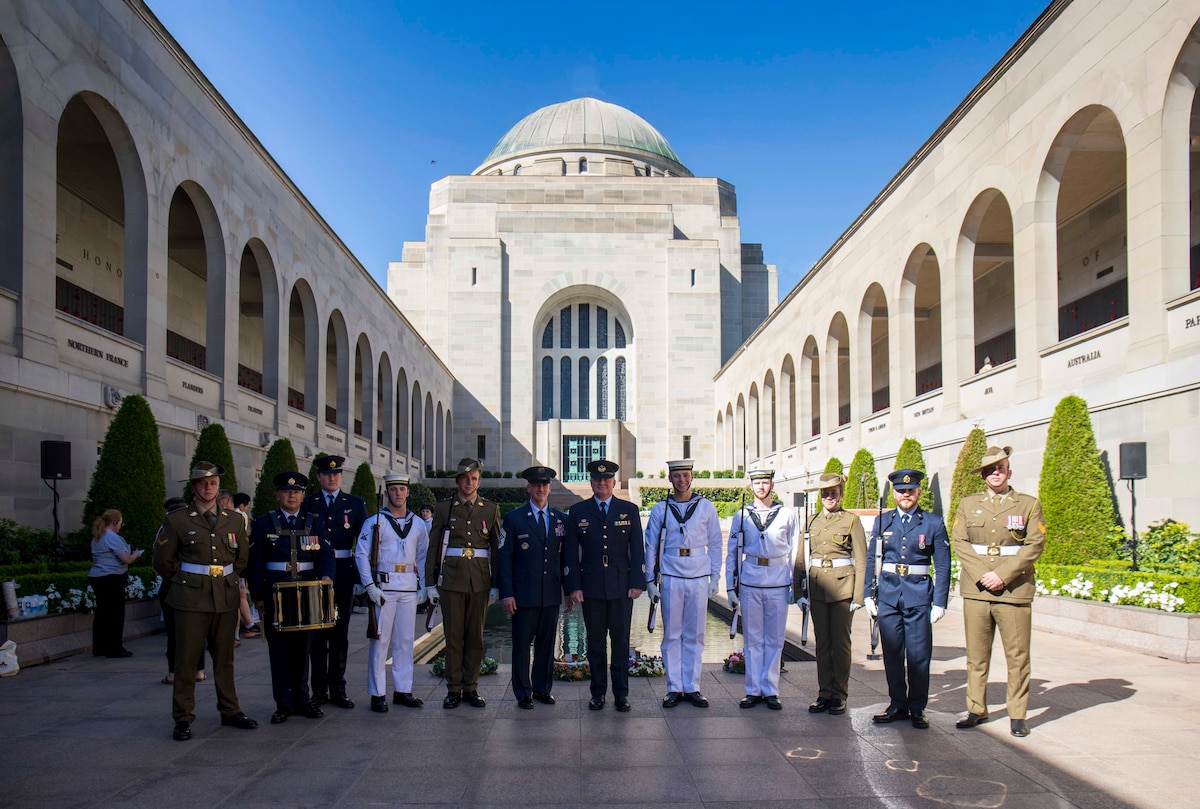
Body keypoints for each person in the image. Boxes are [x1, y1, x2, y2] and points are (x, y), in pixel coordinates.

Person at [153, 462, 258, 741]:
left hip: (224, 597)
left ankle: (230, 710)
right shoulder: (178, 519)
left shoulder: (234, 520)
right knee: (186, 661)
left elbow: (242, 558)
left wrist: (227, 580)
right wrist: (186, 582)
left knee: (225, 659)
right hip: (190, 599)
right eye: (202, 484)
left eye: (212, 484)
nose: (208, 488)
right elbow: (163, 562)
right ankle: (183, 718)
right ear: (194, 487)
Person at [952, 445, 1046, 738]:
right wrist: (984, 575)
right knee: (977, 656)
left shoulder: (1028, 504)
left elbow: (1034, 545)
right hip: (978, 589)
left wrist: (1002, 575)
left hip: (1013, 589)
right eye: (990, 470)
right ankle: (976, 708)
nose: (995, 474)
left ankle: (1017, 714)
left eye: (1000, 468)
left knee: (1017, 656)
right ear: (983, 475)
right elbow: (960, 542)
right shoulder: (968, 505)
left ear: (1009, 472)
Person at [863, 469, 950, 729]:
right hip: (889, 595)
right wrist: (868, 593)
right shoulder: (883, 521)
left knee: (918, 656)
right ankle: (897, 703)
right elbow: (872, 559)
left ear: (919, 493)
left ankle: (917, 708)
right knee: (892, 654)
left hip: (918, 595)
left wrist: (940, 602)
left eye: (910, 491)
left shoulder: (932, 523)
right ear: (894, 493)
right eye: (901, 490)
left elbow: (943, 565)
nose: (906, 495)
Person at [247, 471, 335, 724]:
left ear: (303, 495)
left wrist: (327, 579)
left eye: (296, 491)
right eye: (287, 491)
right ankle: (283, 703)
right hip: (276, 593)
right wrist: (258, 596)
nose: (292, 495)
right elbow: (256, 562)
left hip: (308, 592)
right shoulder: (265, 522)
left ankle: (303, 699)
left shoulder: (314, 522)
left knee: (304, 649)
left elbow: (326, 554)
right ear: (278, 495)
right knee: (280, 651)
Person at [564, 460, 644, 712]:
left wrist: (637, 582)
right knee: (596, 645)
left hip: (621, 587)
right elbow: (569, 554)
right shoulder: (578, 511)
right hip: (591, 588)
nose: (602, 483)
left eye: (607, 480)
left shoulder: (628, 510)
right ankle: (598, 693)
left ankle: (621, 694)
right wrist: (573, 587)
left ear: (613, 483)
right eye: (597, 480)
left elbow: (638, 550)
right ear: (591, 482)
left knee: (620, 644)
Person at [644, 459, 723, 708]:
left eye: (685, 475)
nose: (681, 480)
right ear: (670, 478)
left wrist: (715, 576)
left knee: (695, 633)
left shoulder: (706, 507)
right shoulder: (660, 509)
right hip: (670, 575)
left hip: (698, 575)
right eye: (676, 476)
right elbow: (651, 545)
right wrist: (649, 580)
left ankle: (692, 686)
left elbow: (716, 542)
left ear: (692, 477)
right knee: (672, 634)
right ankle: (674, 686)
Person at [425, 457, 502, 709]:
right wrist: (429, 583)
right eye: (465, 478)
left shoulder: (490, 509)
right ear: (458, 480)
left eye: (474, 478)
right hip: (451, 580)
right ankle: (453, 688)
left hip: (479, 579)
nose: (469, 483)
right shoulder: (444, 508)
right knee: (454, 635)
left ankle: (471, 687)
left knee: (475, 637)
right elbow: (433, 547)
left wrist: (496, 583)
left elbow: (496, 549)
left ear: (479, 482)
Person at [498, 465, 576, 710]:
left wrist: (569, 590)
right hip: (523, 595)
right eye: (536, 485)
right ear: (529, 487)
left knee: (546, 645)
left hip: (550, 594)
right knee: (522, 646)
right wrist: (507, 593)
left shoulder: (561, 520)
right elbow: (504, 559)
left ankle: (542, 688)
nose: (541, 489)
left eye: (545, 485)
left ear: (549, 488)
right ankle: (523, 692)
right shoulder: (514, 518)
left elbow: (567, 560)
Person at [726, 469, 800, 709]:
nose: (761, 487)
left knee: (775, 638)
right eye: (757, 483)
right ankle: (753, 690)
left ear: (772, 485)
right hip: (750, 580)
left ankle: (770, 689)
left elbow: (796, 550)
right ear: (751, 486)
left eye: (765, 483)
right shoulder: (742, 516)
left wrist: (797, 585)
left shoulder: (786, 514)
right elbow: (733, 553)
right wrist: (730, 585)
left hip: (778, 581)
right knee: (753, 638)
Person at [356, 473, 430, 712]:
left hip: (408, 588)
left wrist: (425, 587)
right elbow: (361, 554)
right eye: (394, 489)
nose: (398, 493)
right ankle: (377, 693)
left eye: (402, 489)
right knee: (380, 642)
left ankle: (403, 690)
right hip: (384, 589)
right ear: (387, 492)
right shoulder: (375, 521)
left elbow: (424, 556)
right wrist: (369, 586)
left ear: (408, 492)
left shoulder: (418, 523)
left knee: (405, 642)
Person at [304, 455, 368, 709]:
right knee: (317, 635)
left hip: (342, 574)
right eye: (327, 474)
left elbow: (363, 543)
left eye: (336, 474)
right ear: (318, 477)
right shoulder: (309, 503)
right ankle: (318, 689)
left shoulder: (354, 504)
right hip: (315, 573)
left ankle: (338, 688)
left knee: (339, 633)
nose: (332, 478)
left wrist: (364, 579)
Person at [804, 472, 867, 716]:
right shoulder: (812, 521)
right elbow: (803, 557)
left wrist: (858, 595)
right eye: (825, 494)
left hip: (843, 588)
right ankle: (824, 693)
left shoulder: (851, 521)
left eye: (833, 493)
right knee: (822, 644)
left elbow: (861, 559)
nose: (829, 497)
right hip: (819, 586)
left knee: (840, 644)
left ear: (841, 495)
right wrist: (802, 590)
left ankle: (839, 694)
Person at [157, 497, 207, 684]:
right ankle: (198, 670)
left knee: (175, 633)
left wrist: (175, 578)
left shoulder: (163, 531)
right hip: (193, 584)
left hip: (174, 584)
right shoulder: (198, 528)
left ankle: (173, 673)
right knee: (197, 631)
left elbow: (159, 563)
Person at [88, 509, 141, 658]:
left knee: (102, 614)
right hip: (111, 577)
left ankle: (99, 647)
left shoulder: (97, 536)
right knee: (115, 614)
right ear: (115, 522)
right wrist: (136, 554)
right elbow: (127, 559)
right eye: (120, 524)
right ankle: (114, 648)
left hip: (98, 576)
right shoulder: (112, 537)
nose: (120, 526)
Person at [219, 489, 259, 642]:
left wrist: (237, 569)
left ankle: (237, 633)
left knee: (238, 597)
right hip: (228, 567)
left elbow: (242, 547)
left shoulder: (237, 518)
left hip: (234, 567)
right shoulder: (237, 516)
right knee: (238, 597)